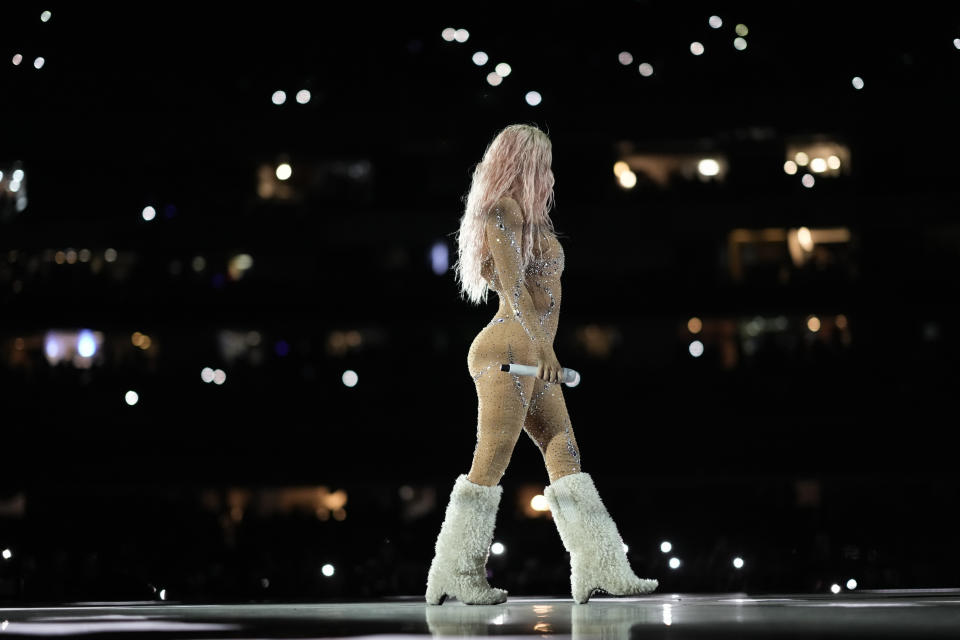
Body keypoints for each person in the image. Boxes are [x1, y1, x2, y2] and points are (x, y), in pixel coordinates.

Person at [425, 124, 659, 605]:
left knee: (564, 451)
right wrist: (545, 349)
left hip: (529, 350)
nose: (550, 176)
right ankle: (454, 570)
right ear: (525, 165)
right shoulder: (502, 211)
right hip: (511, 350)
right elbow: (514, 292)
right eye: (544, 165)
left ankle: (600, 563)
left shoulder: (531, 223)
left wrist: (542, 348)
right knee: (492, 456)